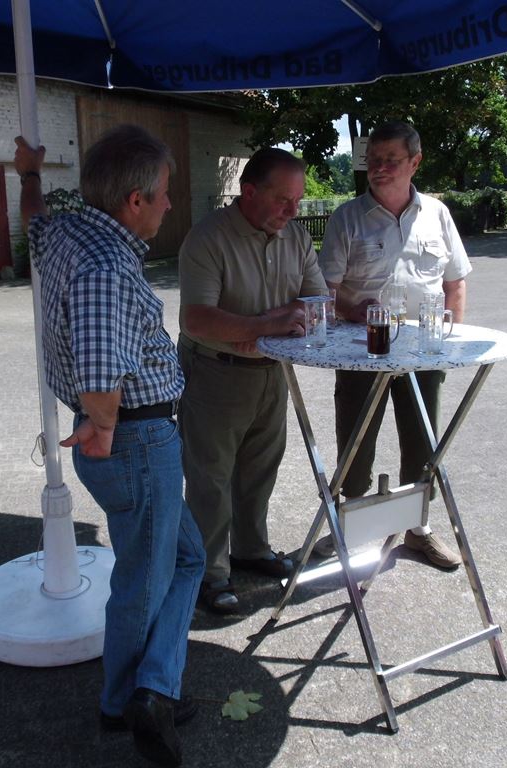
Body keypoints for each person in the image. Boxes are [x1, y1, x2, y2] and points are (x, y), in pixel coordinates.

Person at [15, 125, 205, 768]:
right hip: (136, 440)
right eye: (165, 193)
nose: (170, 204)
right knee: (144, 579)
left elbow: (33, 220)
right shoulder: (104, 266)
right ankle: (130, 700)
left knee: (185, 559)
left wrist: (30, 174)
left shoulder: (66, 231)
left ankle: (151, 686)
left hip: (129, 439)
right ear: (134, 200)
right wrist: (102, 424)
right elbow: (101, 381)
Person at [177, 148, 329, 614]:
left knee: (260, 470)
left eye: (298, 200)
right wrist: (268, 324)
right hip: (215, 374)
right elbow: (197, 319)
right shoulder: (208, 238)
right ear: (248, 191)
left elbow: (317, 301)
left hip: (271, 372)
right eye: (283, 200)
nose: (293, 211)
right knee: (210, 479)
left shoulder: (295, 237)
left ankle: (250, 549)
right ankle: (208, 573)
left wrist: (258, 329)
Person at [316, 121, 470, 570]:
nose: (379, 168)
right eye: (373, 160)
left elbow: (455, 283)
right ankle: (349, 527)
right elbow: (325, 291)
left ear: (415, 162)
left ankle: (418, 530)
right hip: (361, 350)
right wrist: (354, 310)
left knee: (423, 442)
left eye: (391, 160)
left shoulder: (437, 214)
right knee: (356, 441)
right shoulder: (348, 217)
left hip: (425, 351)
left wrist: (450, 343)